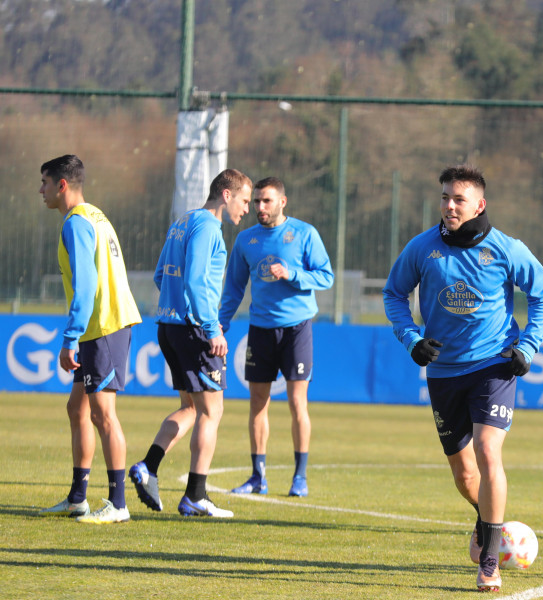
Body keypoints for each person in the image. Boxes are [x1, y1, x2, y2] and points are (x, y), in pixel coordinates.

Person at [383, 164, 543, 592]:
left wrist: (529, 345)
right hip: (443, 372)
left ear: (480, 204)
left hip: (493, 366)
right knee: (464, 475)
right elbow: (393, 293)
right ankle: (488, 521)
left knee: (487, 450)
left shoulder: (505, 248)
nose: (449, 205)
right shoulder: (423, 248)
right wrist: (410, 338)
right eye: (444, 197)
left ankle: (491, 563)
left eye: (458, 199)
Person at [129, 168, 252, 518]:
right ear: (226, 194)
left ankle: (148, 467)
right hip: (195, 329)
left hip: (169, 326)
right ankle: (196, 495)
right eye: (244, 200)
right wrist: (212, 329)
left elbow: (159, 275)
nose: (246, 208)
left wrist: (177, 310)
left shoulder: (182, 222)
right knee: (213, 411)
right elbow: (197, 283)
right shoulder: (208, 228)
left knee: (191, 408)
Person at [37, 154, 142, 524]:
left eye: (45, 184)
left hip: (104, 327)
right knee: (77, 408)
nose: (41, 191)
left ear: (62, 185)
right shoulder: (96, 215)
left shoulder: (76, 224)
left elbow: (86, 285)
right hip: (101, 326)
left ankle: (118, 504)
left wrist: (70, 338)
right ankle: (77, 498)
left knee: (103, 414)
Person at [219, 177, 334, 497]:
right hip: (260, 330)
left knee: (298, 402)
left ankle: (300, 477)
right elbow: (233, 289)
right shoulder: (246, 241)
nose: (259, 207)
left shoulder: (305, 234)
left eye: (266, 201)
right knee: (257, 403)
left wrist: (293, 274)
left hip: (297, 329)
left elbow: (326, 276)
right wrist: (220, 325)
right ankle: (258, 476)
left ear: (282, 202)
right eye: (255, 201)